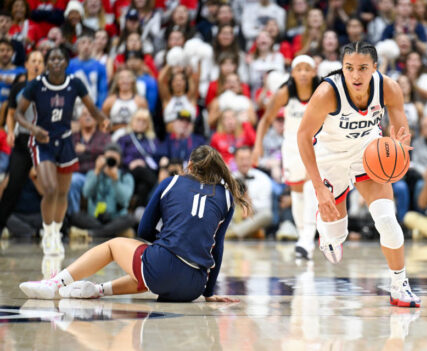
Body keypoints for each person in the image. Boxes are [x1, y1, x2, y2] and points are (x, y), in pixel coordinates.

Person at [19, 145, 246, 303]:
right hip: (193, 287)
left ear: (190, 165)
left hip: (161, 270)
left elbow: (144, 230)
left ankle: (55, 284)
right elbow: (218, 250)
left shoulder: (171, 181)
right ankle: (98, 290)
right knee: (152, 268)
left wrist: (169, 243)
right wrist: (207, 293)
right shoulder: (226, 197)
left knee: (116, 246)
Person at [297, 41, 421, 307]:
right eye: (349, 68)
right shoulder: (327, 93)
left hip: (369, 154)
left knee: (387, 220)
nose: (355, 75)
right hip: (330, 158)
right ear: (342, 68)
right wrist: (318, 187)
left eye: (363, 68)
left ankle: (400, 285)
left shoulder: (389, 87)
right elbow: (303, 135)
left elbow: (401, 134)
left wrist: (400, 150)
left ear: (375, 68)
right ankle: (327, 233)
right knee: (336, 236)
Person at [14, 47, 110, 255]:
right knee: (49, 189)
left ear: (66, 63)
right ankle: (47, 233)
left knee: (62, 192)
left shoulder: (74, 83)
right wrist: (33, 129)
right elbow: (19, 114)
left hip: (65, 141)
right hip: (42, 140)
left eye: (60, 58)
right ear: (47, 63)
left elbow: (91, 108)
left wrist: (103, 120)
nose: (56, 61)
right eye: (52, 58)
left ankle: (56, 232)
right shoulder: (37, 85)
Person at [252, 55, 319, 260]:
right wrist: (257, 146)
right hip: (291, 147)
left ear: (314, 72)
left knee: (311, 187)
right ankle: (304, 238)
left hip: (317, 145)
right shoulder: (284, 93)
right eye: (299, 69)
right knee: (297, 192)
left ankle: (308, 237)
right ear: (292, 73)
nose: (303, 73)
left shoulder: (322, 91)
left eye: (307, 69)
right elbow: (266, 119)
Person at [0, 50, 44, 236]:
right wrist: (10, 132)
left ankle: (57, 230)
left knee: (49, 188)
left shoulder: (49, 88)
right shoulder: (18, 88)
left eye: (40, 61)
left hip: (42, 144)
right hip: (21, 142)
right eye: (33, 60)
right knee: (12, 188)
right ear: (26, 64)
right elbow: (10, 114)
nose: (37, 64)